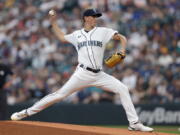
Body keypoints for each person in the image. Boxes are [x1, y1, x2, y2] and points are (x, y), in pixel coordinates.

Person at [11, 8, 153, 132]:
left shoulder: (103, 32)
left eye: (96, 17)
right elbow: (61, 37)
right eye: (93, 16)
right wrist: (53, 22)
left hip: (99, 75)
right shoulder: (77, 35)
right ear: (86, 18)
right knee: (59, 95)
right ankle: (25, 112)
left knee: (123, 88)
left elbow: (122, 37)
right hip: (82, 73)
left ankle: (134, 124)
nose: (95, 19)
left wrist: (122, 50)